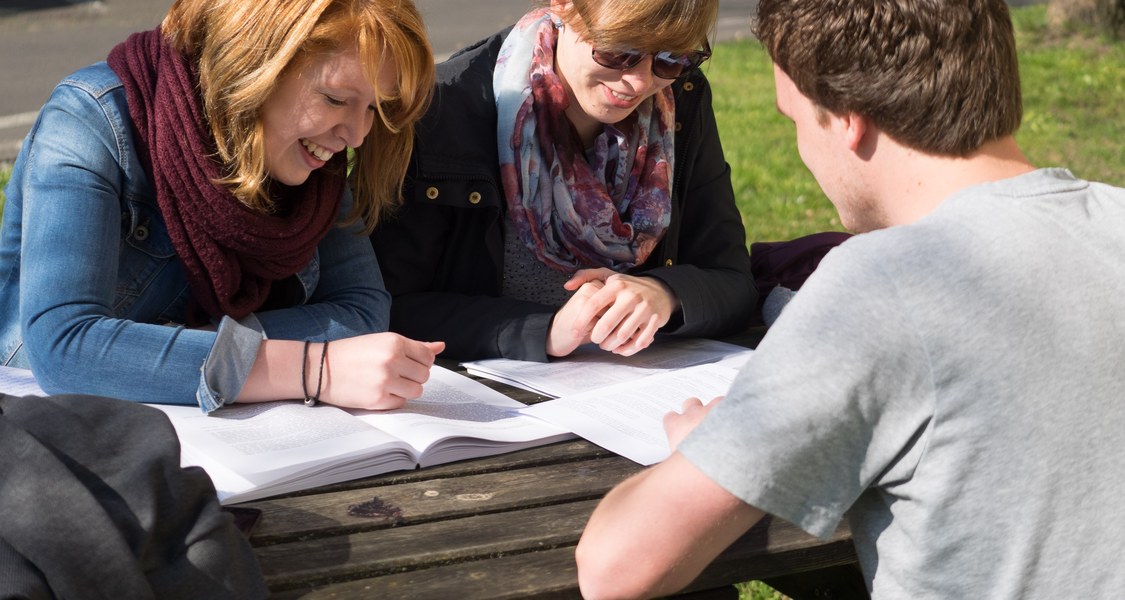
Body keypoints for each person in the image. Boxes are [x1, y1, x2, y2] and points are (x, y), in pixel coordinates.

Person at [575, 0, 1125, 598]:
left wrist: (710, 451)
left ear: (846, 121)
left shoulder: (885, 286)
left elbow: (615, 568)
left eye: (795, 118)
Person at [0, 0, 443, 412]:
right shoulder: (90, 119)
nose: (357, 135)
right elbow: (66, 347)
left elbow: (361, 311)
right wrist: (313, 369)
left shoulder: (304, 156)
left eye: (373, 107)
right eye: (335, 99)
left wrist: (172, 354)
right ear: (252, 62)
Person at [369, 0, 757, 362]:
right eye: (620, 51)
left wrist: (665, 293)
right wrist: (545, 331)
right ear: (564, 7)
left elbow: (733, 281)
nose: (639, 83)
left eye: (673, 59)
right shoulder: (443, 109)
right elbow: (388, 304)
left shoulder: (681, 100)